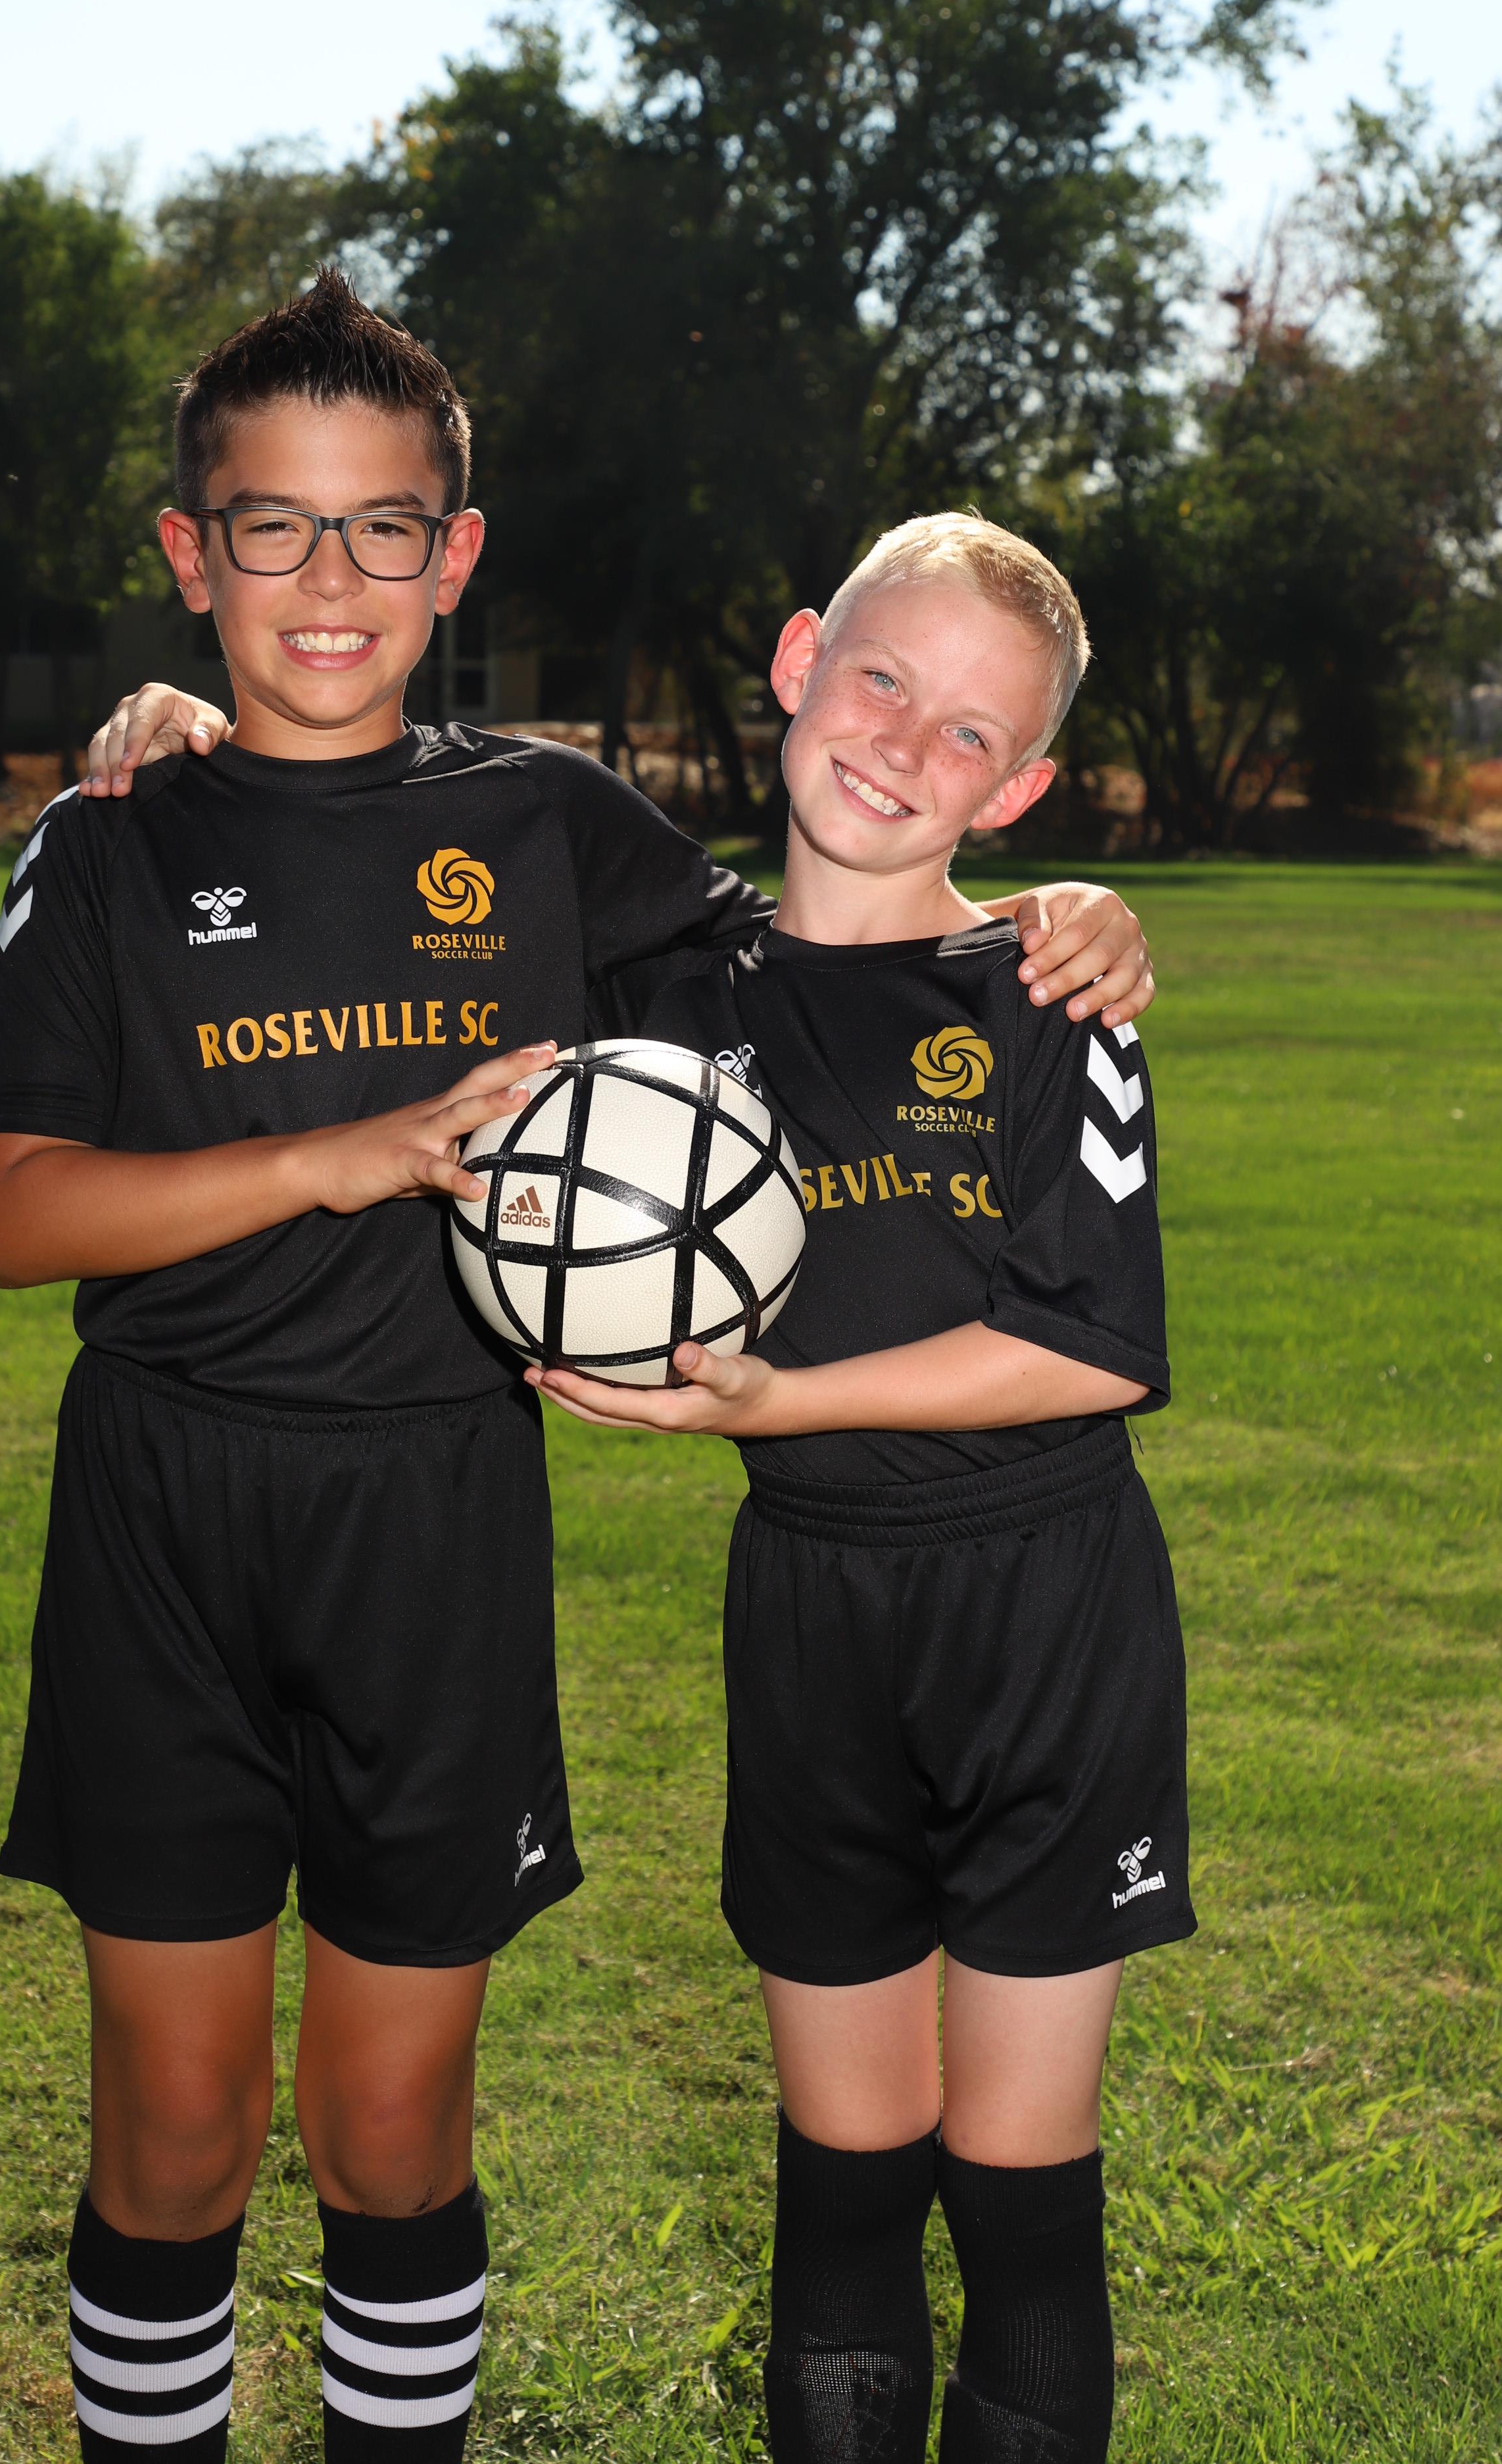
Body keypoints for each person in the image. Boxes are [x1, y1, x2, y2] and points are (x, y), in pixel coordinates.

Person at [0, 269, 1155, 2464]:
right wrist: (345, 1152)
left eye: (383, 528)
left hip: (438, 1524)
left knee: (391, 2126)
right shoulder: (116, 836)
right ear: (193, 552)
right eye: (274, 526)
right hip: (161, 1515)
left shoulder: (555, 822)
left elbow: (834, 949)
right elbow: (13, 1214)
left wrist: (1059, 916)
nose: (331, 578)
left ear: (458, 556)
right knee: (178, 2125)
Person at [530, 514, 1190, 2464]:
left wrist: (773, 1402)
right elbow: (401, 801)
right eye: (883, 679)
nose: (905, 744)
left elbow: (1090, 1349)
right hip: (814, 1609)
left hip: (1044, 1614)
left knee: (1019, 2189)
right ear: (800, 659)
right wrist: (187, 727)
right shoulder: (667, 977)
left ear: (1025, 789)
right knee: (841, 2182)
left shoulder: (1046, 995)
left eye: (971, 732)